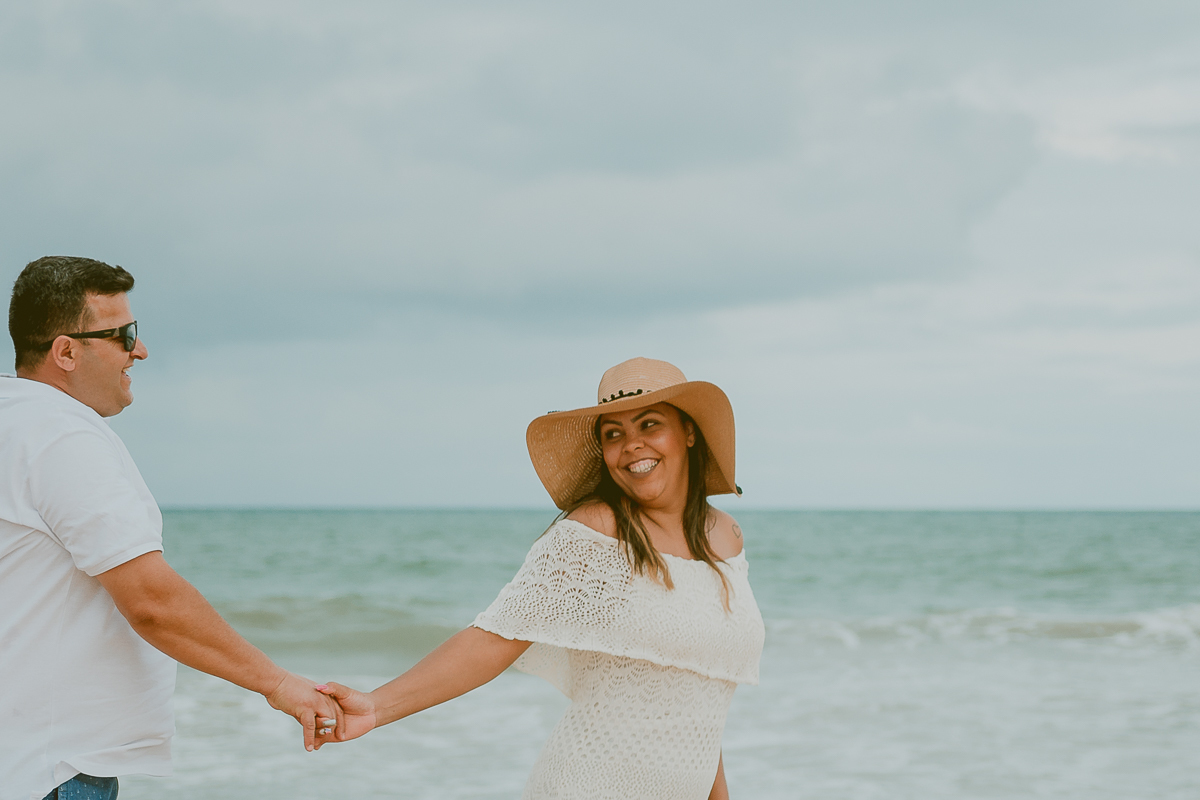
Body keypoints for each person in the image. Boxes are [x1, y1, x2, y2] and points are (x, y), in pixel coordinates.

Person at [319, 357, 765, 799]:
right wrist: (377, 707)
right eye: (614, 433)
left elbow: (701, 688)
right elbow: (494, 638)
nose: (632, 444)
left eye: (650, 424)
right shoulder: (597, 530)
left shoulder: (725, 536)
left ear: (688, 431)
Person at [0, 256, 340, 800]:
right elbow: (152, 601)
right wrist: (279, 685)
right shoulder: (61, 437)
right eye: (123, 335)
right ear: (66, 351)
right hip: (49, 770)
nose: (140, 350)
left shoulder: (11, 421)